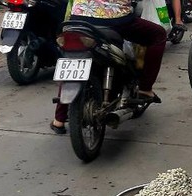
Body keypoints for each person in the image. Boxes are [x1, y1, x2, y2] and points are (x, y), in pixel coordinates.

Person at [50, 0, 167, 134]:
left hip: (78, 17)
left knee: (73, 61)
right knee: (158, 35)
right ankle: (145, 88)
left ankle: (58, 119)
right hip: (116, 20)